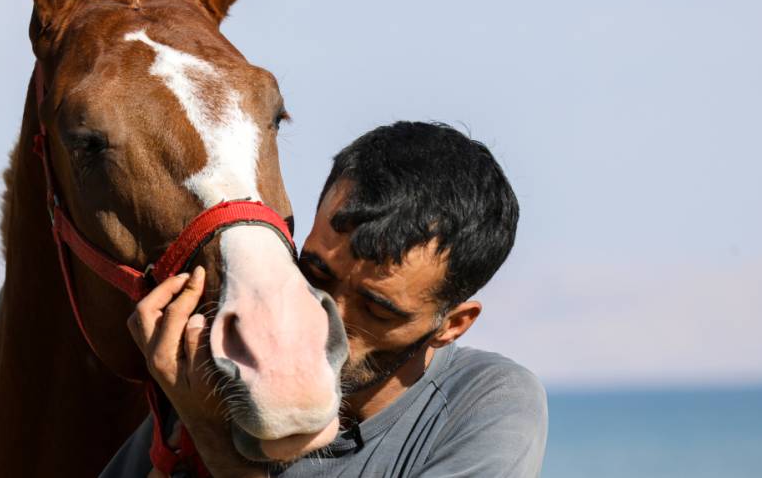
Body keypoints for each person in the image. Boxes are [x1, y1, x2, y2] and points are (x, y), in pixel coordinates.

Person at [105, 121, 547, 477]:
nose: (326, 317)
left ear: (452, 325)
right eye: (315, 273)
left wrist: (214, 439)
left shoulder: (487, 401)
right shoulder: (221, 378)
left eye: (377, 309)